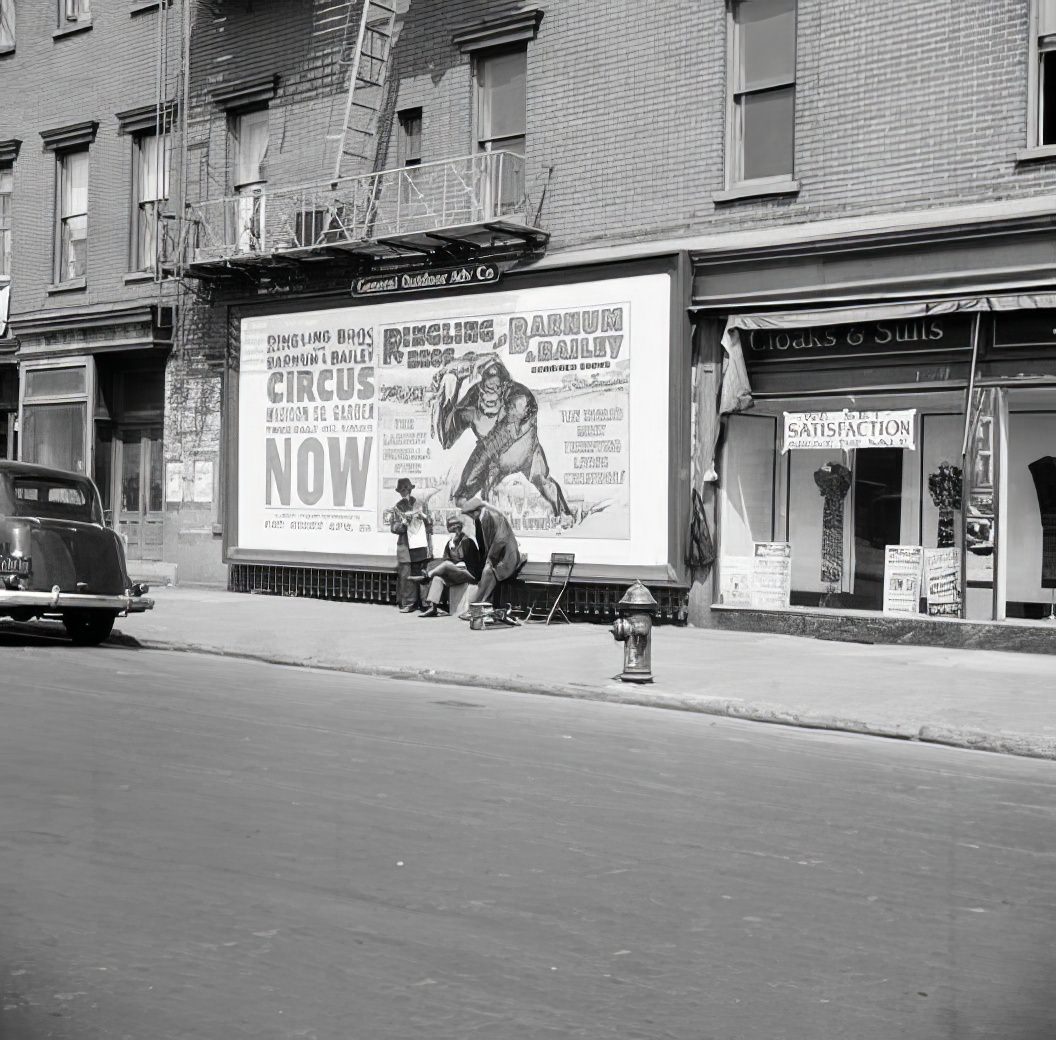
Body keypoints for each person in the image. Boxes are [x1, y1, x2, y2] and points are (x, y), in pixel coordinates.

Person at [432, 354, 573, 519]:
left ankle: (565, 516)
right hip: (492, 457)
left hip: (525, 453)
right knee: (461, 499)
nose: (487, 397)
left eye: (494, 389)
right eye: (485, 389)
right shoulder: (474, 396)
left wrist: (482, 470)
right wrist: (450, 390)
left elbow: (499, 439)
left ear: (504, 388)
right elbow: (446, 439)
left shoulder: (521, 398)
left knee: (542, 479)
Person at [456, 495, 526, 617]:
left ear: (477, 511)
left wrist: (489, 560)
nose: (470, 517)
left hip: (507, 557)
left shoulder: (493, 516)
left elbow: (501, 539)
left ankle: (474, 608)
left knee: (488, 572)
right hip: (497, 557)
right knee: (487, 573)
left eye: (471, 514)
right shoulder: (479, 519)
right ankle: (480, 606)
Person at [417, 515, 482, 618]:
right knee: (438, 578)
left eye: (452, 529)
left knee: (447, 565)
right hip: (456, 573)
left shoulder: (467, 542)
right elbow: (446, 560)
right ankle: (433, 607)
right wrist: (452, 550)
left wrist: (457, 564)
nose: (450, 533)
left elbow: (473, 563)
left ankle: (427, 575)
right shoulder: (450, 543)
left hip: (470, 574)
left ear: (458, 528)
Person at [390, 477, 433, 613]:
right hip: (406, 546)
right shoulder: (397, 507)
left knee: (422, 572)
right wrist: (403, 523)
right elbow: (394, 528)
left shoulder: (420, 504)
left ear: (410, 489)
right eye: (401, 490)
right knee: (406, 575)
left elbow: (430, 522)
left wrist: (424, 518)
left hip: (420, 543)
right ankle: (409, 603)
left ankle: (425, 603)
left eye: (405, 489)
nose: (403, 492)